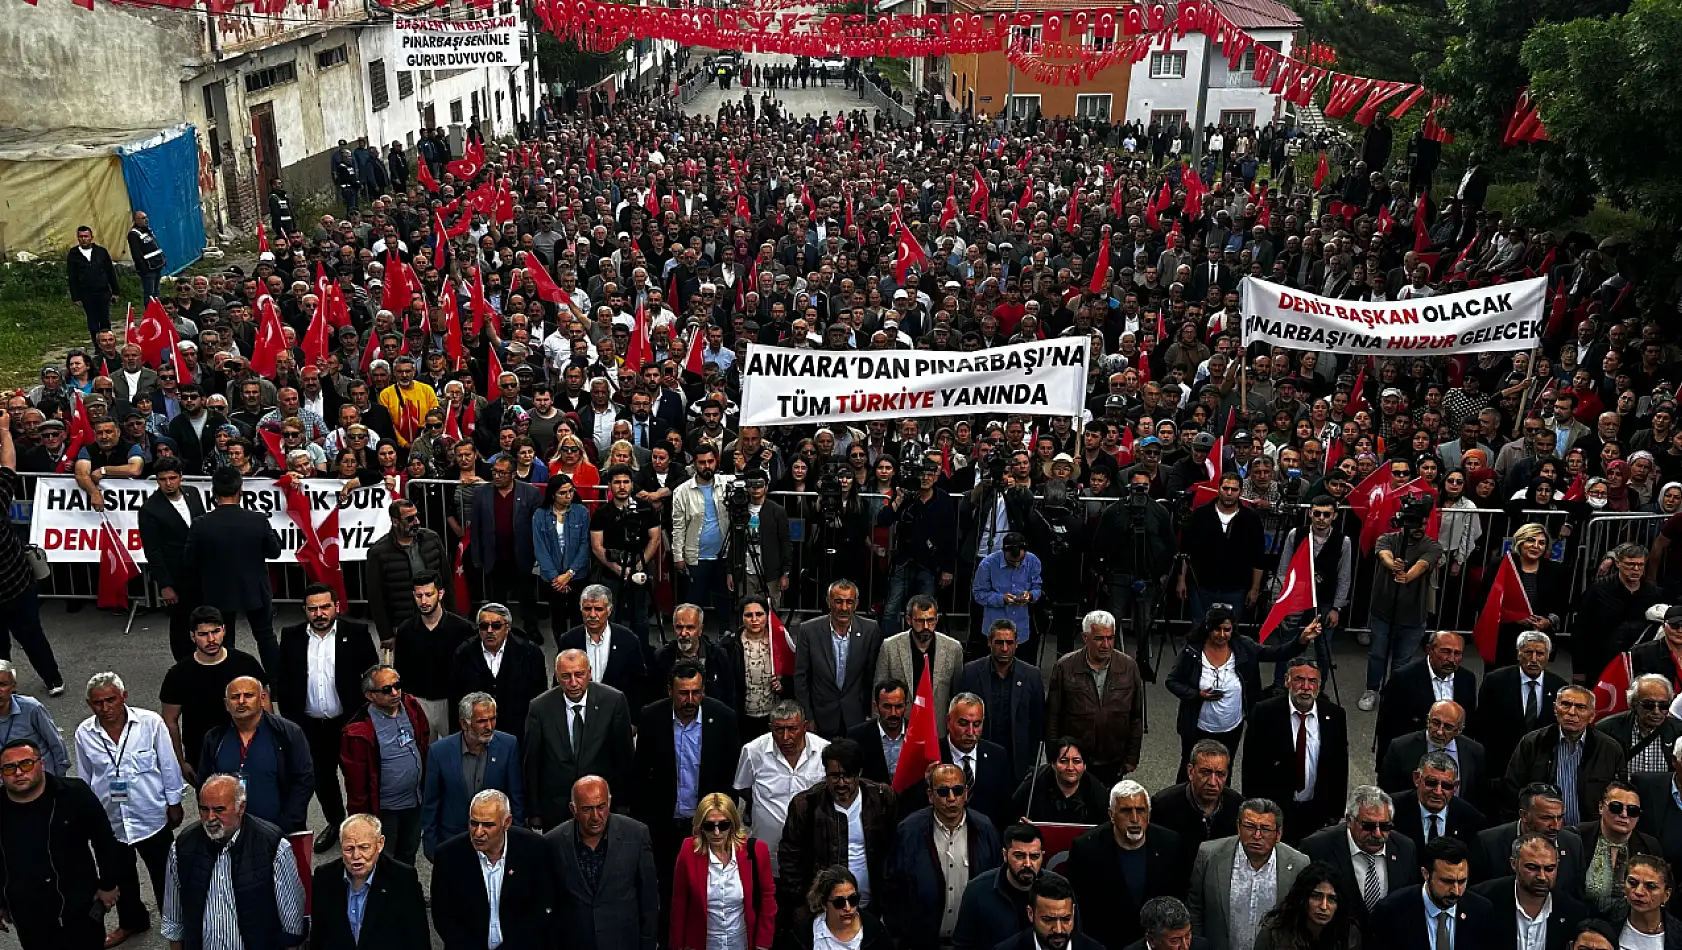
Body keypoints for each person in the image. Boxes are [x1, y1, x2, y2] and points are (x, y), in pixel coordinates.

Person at [73, 672, 184, 947]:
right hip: (110, 820)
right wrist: (87, 817)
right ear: (90, 704)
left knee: (165, 875)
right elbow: (86, 778)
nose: (105, 708)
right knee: (121, 877)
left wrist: (174, 802)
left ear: (124, 697)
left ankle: (176, 924)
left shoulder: (150, 723)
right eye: (97, 703)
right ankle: (132, 922)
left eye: (111, 700)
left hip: (151, 815)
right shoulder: (84, 733)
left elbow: (168, 765)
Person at [275, 583, 378, 853]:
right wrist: (292, 719)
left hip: (348, 722)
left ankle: (362, 826)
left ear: (337, 606)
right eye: (313, 609)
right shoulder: (291, 636)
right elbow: (284, 680)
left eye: (324, 607)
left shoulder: (356, 633)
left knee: (356, 776)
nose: (319, 613)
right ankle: (335, 822)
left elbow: (371, 676)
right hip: (310, 725)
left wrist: (365, 718)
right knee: (323, 778)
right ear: (305, 611)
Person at [632, 660, 742, 909]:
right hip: (665, 825)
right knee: (668, 892)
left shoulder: (723, 718)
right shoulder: (651, 717)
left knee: (707, 892)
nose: (690, 699)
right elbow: (640, 773)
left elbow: (730, 774)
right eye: (683, 693)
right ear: (670, 690)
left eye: (697, 692)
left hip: (707, 826)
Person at [160, 774, 307, 950]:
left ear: (241, 807)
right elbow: (173, 918)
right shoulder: (182, 847)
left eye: (219, 810)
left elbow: (291, 920)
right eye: (204, 809)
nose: (210, 817)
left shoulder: (273, 846)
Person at [0, 738, 122, 950]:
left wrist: (108, 884)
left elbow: (104, 839)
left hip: (80, 906)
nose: (19, 772)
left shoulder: (74, 794)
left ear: (41, 763)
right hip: (28, 913)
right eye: (9, 768)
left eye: (26, 764)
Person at [1167, 607, 1319, 770]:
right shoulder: (1192, 651)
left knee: (1223, 770)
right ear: (1208, 628)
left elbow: (1275, 653)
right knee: (1191, 769)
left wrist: (1301, 640)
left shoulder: (1243, 646)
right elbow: (1172, 681)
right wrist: (1197, 695)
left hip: (1231, 727)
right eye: (1217, 629)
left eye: (1227, 630)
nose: (1222, 635)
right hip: (1197, 726)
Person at [777, 739, 899, 928]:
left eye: (847, 776)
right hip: (822, 911)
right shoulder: (806, 805)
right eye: (834, 776)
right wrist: (804, 904)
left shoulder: (882, 799)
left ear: (859, 773)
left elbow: (894, 853)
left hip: (872, 909)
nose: (841, 783)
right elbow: (790, 859)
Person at [882, 761, 1003, 947]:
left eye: (958, 790)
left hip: (973, 942)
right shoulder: (908, 832)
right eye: (943, 792)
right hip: (921, 942)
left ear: (966, 793)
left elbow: (996, 883)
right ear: (931, 796)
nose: (952, 798)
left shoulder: (985, 829)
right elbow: (893, 888)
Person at [1066, 779, 1190, 949]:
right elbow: (1080, 906)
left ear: (1149, 813)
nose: (1134, 818)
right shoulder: (1086, 849)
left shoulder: (1170, 844)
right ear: (1111, 815)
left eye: (1140, 810)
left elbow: (1179, 895)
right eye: (1126, 811)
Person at [184, 466, 283, 674]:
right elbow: (274, 552)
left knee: (224, 640)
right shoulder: (257, 520)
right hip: (254, 588)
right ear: (240, 490)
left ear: (214, 493)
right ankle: (277, 681)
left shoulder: (201, 524)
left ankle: (227, 681)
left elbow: (190, 561)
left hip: (217, 591)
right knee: (265, 635)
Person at [1243, 656, 1350, 846]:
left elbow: (1340, 768)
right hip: (1275, 811)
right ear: (1287, 681)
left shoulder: (1335, 715)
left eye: (1312, 681)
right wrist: (1254, 812)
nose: (1306, 687)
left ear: (1319, 685)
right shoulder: (1264, 713)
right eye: (1299, 679)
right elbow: (1251, 768)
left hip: (1317, 811)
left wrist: (1336, 813)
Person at [523, 648, 634, 830]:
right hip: (557, 809)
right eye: (566, 676)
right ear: (556, 676)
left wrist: (622, 806)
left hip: (601, 808)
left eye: (579, 674)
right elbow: (532, 763)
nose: (573, 682)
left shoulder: (613, 701)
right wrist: (534, 812)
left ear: (589, 673)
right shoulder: (540, 708)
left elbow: (624, 758)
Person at [432, 789, 557, 950]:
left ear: (507, 822)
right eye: (474, 823)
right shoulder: (448, 856)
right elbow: (444, 918)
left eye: (488, 825)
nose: (478, 832)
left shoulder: (534, 849)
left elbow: (542, 908)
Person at [547, 776, 661, 950]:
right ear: (573, 809)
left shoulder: (636, 835)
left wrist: (648, 944)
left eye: (601, 807)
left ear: (609, 803)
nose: (595, 817)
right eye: (587, 809)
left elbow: (649, 901)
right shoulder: (553, 842)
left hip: (624, 943)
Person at [158, 607, 267, 784]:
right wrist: (180, 761)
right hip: (202, 756)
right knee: (212, 810)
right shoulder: (178, 674)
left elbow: (265, 706)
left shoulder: (245, 664)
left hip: (247, 753)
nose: (211, 639)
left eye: (216, 632)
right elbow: (170, 721)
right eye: (203, 634)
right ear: (192, 636)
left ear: (224, 630)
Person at [1186, 798, 1311, 950]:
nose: (1257, 836)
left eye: (1265, 829)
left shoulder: (1299, 863)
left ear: (1278, 834)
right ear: (1238, 827)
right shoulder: (1209, 856)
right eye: (1250, 827)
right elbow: (1195, 910)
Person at [197, 675, 314, 833]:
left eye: (249, 695)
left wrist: (287, 824)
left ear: (263, 698)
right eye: (235, 697)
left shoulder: (288, 733)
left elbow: (304, 780)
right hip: (229, 832)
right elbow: (204, 784)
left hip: (279, 831)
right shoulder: (214, 738)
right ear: (226, 704)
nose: (241, 701)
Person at [338, 663, 428, 866]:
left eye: (397, 685)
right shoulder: (357, 732)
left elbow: (423, 740)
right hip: (385, 810)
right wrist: (361, 821)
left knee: (408, 854)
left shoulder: (411, 706)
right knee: (384, 860)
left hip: (415, 802)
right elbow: (356, 784)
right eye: (387, 689)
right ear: (370, 696)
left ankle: (407, 893)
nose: (395, 693)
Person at [0, 412, 63, 696]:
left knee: (2, 646)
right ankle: (53, 680)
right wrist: (4, 432)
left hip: (16, 585)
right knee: (33, 636)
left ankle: (5, 690)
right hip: (18, 584)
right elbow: (9, 466)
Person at [1358, 497, 1442, 712]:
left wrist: (1407, 574)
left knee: (1402, 659)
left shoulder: (1432, 546)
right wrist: (1392, 565)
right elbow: (1383, 554)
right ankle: (1371, 689)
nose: (1419, 528)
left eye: (1423, 523)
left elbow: (1423, 565)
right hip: (1383, 610)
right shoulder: (1388, 539)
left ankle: (1393, 692)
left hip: (1414, 613)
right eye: (1414, 522)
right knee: (1377, 653)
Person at [421, 692, 524, 860]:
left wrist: (516, 839)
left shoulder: (509, 745)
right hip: (452, 842)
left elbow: (516, 797)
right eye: (482, 721)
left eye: (492, 719)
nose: (489, 726)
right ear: (464, 723)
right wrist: (431, 845)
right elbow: (431, 802)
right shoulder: (439, 752)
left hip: (495, 844)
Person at [668, 792, 778, 950]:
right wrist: (677, 945)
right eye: (709, 826)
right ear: (700, 826)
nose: (717, 833)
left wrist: (763, 943)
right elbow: (679, 902)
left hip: (743, 942)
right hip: (702, 943)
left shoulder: (757, 850)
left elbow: (768, 898)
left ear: (733, 824)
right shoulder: (688, 850)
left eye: (723, 825)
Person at [1046, 610, 1145, 785]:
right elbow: (1053, 716)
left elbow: (1136, 716)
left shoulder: (1129, 667)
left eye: (1110, 638)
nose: (1106, 644)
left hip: (1114, 759)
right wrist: (1054, 756)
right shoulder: (1065, 667)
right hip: (1075, 759)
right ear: (1085, 638)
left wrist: (1132, 756)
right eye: (1099, 638)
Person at [731, 699, 828, 876]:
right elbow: (743, 788)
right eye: (779, 729)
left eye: (792, 729)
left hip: (811, 849)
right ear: (770, 728)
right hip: (767, 851)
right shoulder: (753, 751)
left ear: (805, 727)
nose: (785, 737)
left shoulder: (824, 751)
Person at [1504, 685, 1622, 826]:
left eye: (1580, 707)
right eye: (1565, 704)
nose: (1572, 712)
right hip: (1542, 832)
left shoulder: (1610, 749)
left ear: (1592, 715)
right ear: (1555, 708)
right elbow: (1512, 791)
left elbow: (1620, 796)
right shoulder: (1532, 743)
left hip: (1590, 834)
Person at [1298, 787, 1421, 921]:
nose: (1378, 834)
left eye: (1385, 826)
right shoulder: (1318, 848)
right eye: (1368, 826)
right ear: (1349, 821)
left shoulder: (1405, 848)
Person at [309, 813, 429, 950]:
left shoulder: (403, 879)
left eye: (364, 848)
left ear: (380, 844)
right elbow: (318, 935)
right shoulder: (324, 877)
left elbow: (417, 939)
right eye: (349, 849)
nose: (356, 856)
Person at [1470, 632, 1566, 795]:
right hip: (1502, 767)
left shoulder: (1558, 686)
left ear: (1548, 656)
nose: (1534, 658)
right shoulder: (1495, 681)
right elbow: (1482, 727)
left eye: (1540, 653)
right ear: (1518, 654)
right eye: (1528, 652)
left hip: (1541, 771)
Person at [955, 619, 1046, 783]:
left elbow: (1038, 724)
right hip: (981, 759)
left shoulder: (1032, 675)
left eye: (1009, 642)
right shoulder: (971, 672)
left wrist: (1033, 765)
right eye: (999, 642)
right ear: (989, 642)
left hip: (1017, 764)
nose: (1004, 648)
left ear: (1017, 643)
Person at [1369, 836, 1497, 950]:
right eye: (1447, 881)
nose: (1456, 891)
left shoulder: (1481, 911)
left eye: (1462, 881)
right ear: (1426, 874)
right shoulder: (1392, 912)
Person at [877, 458, 959, 636]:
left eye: (930, 473)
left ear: (936, 477)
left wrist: (948, 569)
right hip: (903, 561)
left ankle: (925, 643)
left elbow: (950, 536)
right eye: (922, 473)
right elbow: (883, 520)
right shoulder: (905, 495)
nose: (926, 478)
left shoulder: (943, 499)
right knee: (891, 609)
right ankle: (886, 648)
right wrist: (898, 500)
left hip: (929, 564)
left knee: (926, 610)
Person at [449, 603, 548, 749]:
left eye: (496, 626)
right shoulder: (464, 654)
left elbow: (540, 698)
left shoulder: (529, 653)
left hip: (519, 735)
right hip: (477, 739)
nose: (489, 631)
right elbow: (455, 700)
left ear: (507, 627)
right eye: (483, 626)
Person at [137, 456, 208, 661]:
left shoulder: (193, 494)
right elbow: (152, 550)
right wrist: (165, 584)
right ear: (157, 481)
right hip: (176, 574)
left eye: (172, 478)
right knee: (181, 621)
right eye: (163, 479)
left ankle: (204, 655)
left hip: (200, 568)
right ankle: (183, 663)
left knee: (204, 616)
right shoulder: (150, 509)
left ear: (181, 478)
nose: (168, 483)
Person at [793, 579, 884, 739]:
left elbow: (872, 677)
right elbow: (801, 678)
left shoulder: (870, 630)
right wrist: (807, 717)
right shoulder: (808, 630)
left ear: (856, 604)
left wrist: (871, 715)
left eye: (849, 602)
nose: (844, 608)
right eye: (838, 601)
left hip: (857, 719)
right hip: (821, 719)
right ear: (829, 602)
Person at [1469, 832, 1590, 950]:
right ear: (1513, 864)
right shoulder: (1483, 900)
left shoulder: (1574, 913)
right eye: (1532, 867)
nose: (1542, 876)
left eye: (1549, 869)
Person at [1373, 631, 1479, 764]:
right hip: (1414, 759)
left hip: (1453, 760)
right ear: (1429, 650)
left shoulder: (1467, 679)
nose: (1452, 659)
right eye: (1445, 652)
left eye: (1457, 653)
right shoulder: (1404, 679)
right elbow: (1387, 728)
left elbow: (1469, 724)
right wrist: (1384, 765)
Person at [393, 572, 475, 743]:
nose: (423, 601)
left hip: (451, 702)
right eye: (419, 595)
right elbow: (400, 670)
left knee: (457, 752)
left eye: (429, 595)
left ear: (441, 594)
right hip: (419, 702)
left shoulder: (462, 629)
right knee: (423, 755)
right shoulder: (405, 631)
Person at [1177, 472, 1267, 624]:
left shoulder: (1251, 519)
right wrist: (1181, 580)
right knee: (1199, 630)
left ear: (1241, 492)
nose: (1229, 493)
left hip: (1235, 588)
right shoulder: (1201, 514)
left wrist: (1255, 588)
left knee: (1229, 633)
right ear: (1218, 489)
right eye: (1225, 488)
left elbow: (1257, 557)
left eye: (1234, 489)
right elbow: (1186, 550)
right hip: (1202, 586)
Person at [471, 456, 544, 640]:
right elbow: (476, 527)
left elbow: (539, 527)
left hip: (521, 555)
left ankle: (532, 629)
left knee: (527, 596)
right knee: (496, 598)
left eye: (502, 472)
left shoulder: (531, 493)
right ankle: (496, 629)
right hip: (494, 555)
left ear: (513, 474)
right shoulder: (481, 493)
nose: (496, 476)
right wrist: (477, 556)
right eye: (494, 472)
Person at [365, 499, 451, 651]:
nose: (416, 522)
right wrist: (386, 634)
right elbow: (376, 597)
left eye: (417, 516)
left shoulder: (432, 539)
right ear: (395, 521)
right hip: (403, 624)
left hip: (437, 620)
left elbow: (447, 581)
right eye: (409, 519)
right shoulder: (378, 552)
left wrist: (452, 617)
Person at [590, 464, 662, 644]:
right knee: (611, 616)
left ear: (632, 484)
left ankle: (642, 654)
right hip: (611, 571)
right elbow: (597, 546)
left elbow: (655, 539)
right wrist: (617, 568)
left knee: (640, 615)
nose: (622, 486)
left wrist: (638, 566)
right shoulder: (601, 513)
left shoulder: (646, 509)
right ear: (610, 486)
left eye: (626, 482)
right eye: (617, 482)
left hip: (640, 568)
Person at [874, 595, 963, 738]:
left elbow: (957, 696)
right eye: (920, 621)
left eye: (930, 620)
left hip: (937, 732)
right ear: (909, 620)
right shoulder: (890, 647)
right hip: (899, 731)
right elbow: (878, 692)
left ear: (937, 619)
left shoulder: (953, 648)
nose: (926, 626)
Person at [1154, 739, 1249, 872]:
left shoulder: (1238, 806)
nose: (1213, 782)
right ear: (1190, 771)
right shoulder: (1163, 806)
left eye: (1220, 774)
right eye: (1205, 772)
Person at [1377, 701, 1488, 811]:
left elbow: (1478, 795)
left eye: (1448, 727)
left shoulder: (1475, 751)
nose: (1439, 731)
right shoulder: (1400, 748)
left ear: (1459, 730)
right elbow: (1386, 793)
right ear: (1428, 720)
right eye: (1435, 723)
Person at [953, 823, 1044, 950]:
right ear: (1005, 855)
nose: (1028, 864)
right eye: (1019, 856)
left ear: (1043, 855)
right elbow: (963, 946)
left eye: (1034, 856)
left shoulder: (1059, 887)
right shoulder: (978, 891)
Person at [1577, 781, 1661, 916]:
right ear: (1600, 807)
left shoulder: (1649, 845)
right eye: (1616, 807)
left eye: (1632, 811)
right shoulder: (1577, 837)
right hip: (1581, 920)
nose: (1624, 814)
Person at [557, 585, 648, 707]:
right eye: (587, 609)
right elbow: (559, 683)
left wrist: (634, 722)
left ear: (609, 610)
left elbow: (639, 685)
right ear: (581, 609)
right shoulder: (569, 640)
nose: (593, 614)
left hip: (617, 714)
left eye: (598, 609)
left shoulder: (628, 640)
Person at [671, 443, 731, 618]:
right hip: (696, 556)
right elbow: (678, 527)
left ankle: (725, 635)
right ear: (695, 465)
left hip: (724, 555)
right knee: (694, 603)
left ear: (716, 462)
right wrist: (678, 557)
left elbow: (757, 481)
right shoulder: (682, 491)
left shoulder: (728, 484)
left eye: (710, 461)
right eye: (702, 462)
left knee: (724, 601)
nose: (707, 466)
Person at [1251, 862, 1362, 950]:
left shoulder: (1349, 935)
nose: (1324, 906)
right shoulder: (1272, 936)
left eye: (1331, 899)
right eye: (1316, 896)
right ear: (1302, 898)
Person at [1389, 751, 1488, 849]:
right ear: (1417, 779)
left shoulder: (1471, 820)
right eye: (1431, 782)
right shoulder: (1390, 810)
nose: (1438, 792)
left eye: (1447, 785)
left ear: (1456, 787)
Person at [534, 476, 593, 640]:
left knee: (578, 616)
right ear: (553, 495)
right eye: (563, 493)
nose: (568, 496)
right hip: (553, 578)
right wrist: (556, 578)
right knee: (557, 617)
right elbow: (540, 548)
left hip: (577, 575)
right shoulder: (540, 515)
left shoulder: (581, 512)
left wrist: (569, 574)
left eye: (571, 491)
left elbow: (585, 545)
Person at [726, 468, 793, 610]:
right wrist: (730, 571)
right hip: (745, 571)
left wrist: (785, 573)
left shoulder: (777, 511)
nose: (755, 488)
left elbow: (785, 542)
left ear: (766, 487)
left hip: (770, 572)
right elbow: (733, 542)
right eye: (751, 484)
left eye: (759, 484)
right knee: (747, 611)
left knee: (771, 611)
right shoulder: (738, 509)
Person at [1012, 736, 1113, 825]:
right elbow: (1011, 815)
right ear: (1053, 764)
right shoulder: (1034, 783)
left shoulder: (1098, 794)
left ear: (1084, 765)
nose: (1070, 767)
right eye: (1063, 761)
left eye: (1076, 761)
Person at [651, 605, 737, 707]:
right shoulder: (661, 657)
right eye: (679, 627)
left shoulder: (718, 656)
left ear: (701, 630)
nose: (683, 633)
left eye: (690, 627)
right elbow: (653, 699)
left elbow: (729, 698)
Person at [973, 531, 1043, 645]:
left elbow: (1037, 588)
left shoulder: (1033, 561)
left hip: (1022, 629)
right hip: (995, 629)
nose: (1016, 565)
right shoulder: (987, 564)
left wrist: (1030, 596)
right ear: (1003, 551)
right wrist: (1002, 599)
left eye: (1020, 561)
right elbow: (978, 594)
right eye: (1011, 562)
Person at [0, 661, 67, 775]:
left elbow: (55, 743)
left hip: (42, 781)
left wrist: (59, 780)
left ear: (13, 686)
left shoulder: (31, 708)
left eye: (3, 684)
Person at [802, 865, 891, 950]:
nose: (847, 908)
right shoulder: (804, 935)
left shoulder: (876, 932)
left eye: (853, 900)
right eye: (839, 902)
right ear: (824, 904)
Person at [848, 680, 908, 785]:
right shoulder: (856, 736)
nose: (893, 713)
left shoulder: (919, 736)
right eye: (887, 707)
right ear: (876, 707)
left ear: (906, 706)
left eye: (898, 706)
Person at [65, 226, 119, 340]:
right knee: (93, 321)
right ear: (77, 238)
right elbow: (72, 276)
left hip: (103, 291)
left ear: (91, 237)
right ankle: (97, 345)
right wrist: (75, 297)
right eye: (81, 237)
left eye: (86, 236)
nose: (83, 239)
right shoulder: (74, 254)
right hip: (86, 294)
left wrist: (115, 291)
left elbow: (110, 272)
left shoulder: (101, 252)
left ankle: (107, 344)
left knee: (105, 320)